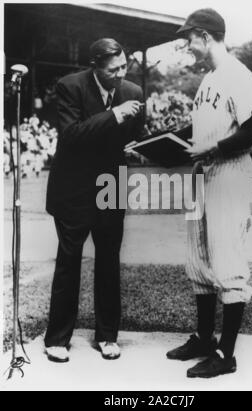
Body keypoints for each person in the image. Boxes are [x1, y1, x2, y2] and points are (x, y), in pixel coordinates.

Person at [167, 9, 252, 378]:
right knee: (198, 259)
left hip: (229, 172)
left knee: (227, 261)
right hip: (201, 174)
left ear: (205, 36)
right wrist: (157, 143)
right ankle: (204, 338)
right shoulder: (209, 78)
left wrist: (210, 150)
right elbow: (199, 126)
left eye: (188, 38)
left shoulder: (239, 75)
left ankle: (226, 355)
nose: (186, 46)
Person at [45, 38, 144, 363]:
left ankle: (108, 336)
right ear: (96, 67)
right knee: (68, 262)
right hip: (73, 189)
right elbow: (71, 135)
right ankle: (57, 339)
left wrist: (143, 148)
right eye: (113, 69)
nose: (121, 74)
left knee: (108, 261)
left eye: (124, 66)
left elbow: (135, 138)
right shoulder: (69, 86)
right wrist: (113, 115)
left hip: (111, 187)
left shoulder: (133, 92)